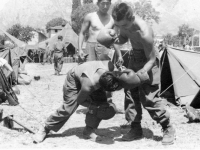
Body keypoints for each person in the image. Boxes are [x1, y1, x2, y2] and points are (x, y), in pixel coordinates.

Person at [98, 2, 176, 145]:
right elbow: (124, 37)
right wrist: (113, 39)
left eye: (124, 25)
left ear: (132, 17)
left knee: (149, 98)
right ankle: (135, 128)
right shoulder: (124, 25)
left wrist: (141, 73)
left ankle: (167, 127)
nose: (121, 28)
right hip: (135, 57)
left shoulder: (144, 32)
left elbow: (152, 59)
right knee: (130, 94)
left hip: (148, 62)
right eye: (118, 25)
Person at [33, 60, 123, 143]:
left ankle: (89, 131)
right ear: (101, 86)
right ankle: (45, 128)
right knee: (69, 108)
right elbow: (80, 100)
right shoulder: (88, 85)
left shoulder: (109, 67)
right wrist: (94, 106)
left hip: (86, 74)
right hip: (74, 79)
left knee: (101, 102)